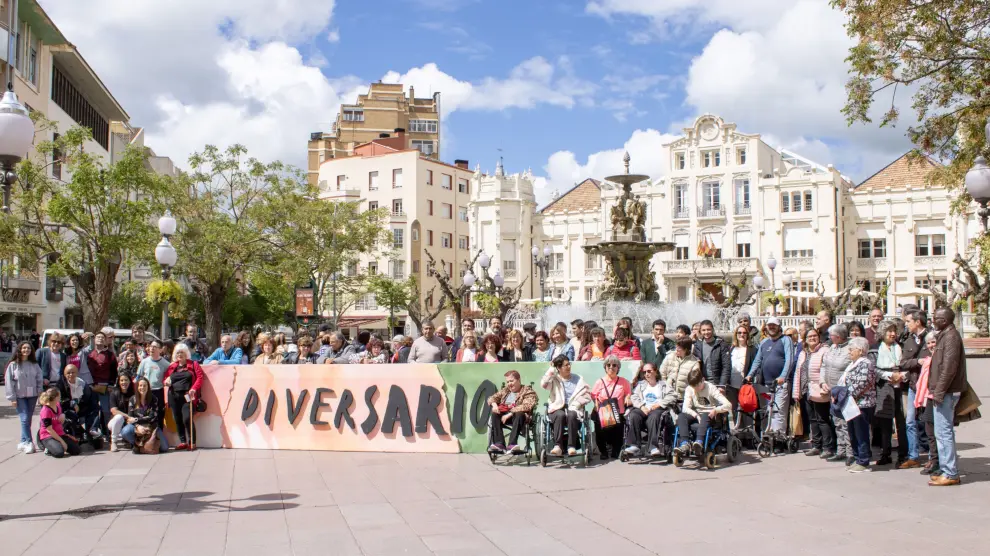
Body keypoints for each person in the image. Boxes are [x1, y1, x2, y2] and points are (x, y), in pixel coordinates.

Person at [927, 307, 966, 486]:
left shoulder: (951, 337)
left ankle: (950, 473)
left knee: (944, 432)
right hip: (942, 391)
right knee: (940, 432)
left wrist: (939, 391)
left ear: (943, 320)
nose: (933, 320)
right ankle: (946, 469)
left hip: (946, 392)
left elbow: (949, 368)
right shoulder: (945, 334)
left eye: (935, 318)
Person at [745, 317, 793, 435]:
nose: (771, 327)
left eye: (774, 325)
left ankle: (778, 438)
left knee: (778, 411)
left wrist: (783, 376)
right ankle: (767, 436)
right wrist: (749, 375)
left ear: (779, 326)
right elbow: (757, 360)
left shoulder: (786, 340)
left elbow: (789, 360)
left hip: (780, 384)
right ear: (766, 327)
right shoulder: (764, 342)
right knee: (766, 412)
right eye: (769, 325)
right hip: (765, 384)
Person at [897, 310, 930, 470]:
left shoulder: (932, 337)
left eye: (909, 321)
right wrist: (918, 361)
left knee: (928, 422)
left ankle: (933, 457)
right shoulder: (908, 339)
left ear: (918, 322)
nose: (906, 324)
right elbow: (903, 363)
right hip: (912, 386)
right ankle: (913, 456)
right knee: (910, 421)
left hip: (928, 387)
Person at [674, 367, 731, 459]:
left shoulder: (711, 388)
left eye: (697, 385)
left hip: (711, 414)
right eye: (693, 387)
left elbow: (728, 405)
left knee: (705, 415)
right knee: (681, 416)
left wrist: (716, 410)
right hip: (697, 413)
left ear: (703, 380)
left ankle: (699, 442)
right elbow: (685, 408)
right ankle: (685, 443)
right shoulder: (690, 389)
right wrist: (695, 415)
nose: (696, 389)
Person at [793, 327, 833, 458]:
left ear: (819, 337)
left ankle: (828, 447)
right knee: (812, 419)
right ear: (805, 340)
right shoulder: (803, 353)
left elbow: (827, 370)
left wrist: (824, 386)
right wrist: (796, 392)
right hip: (806, 390)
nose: (812, 338)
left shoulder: (824, 350)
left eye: (814, 335)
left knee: (822, 419)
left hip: (819, 390)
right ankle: (816, 445)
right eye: (809, 336)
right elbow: (798, 373)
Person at [541, 355, 591, 457]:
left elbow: (587, 395)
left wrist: (577, 404)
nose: (568, 367)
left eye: (569, 364)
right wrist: (551, 368)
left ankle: (571, 446)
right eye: (565, 365)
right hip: (557, 407)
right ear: (558, 368)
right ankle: (558, 446)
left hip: (574, 407)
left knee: (572, 415)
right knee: (560, 415)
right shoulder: (554, 379)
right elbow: (544, 384)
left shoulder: (578, 379)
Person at [839, 337, 876, 473]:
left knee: (861, 433)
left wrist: (844, 394)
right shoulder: (852, 364)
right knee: (853, 432)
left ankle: (863, 460)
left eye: (851, 349)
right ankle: (857, 458)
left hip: (862, 404)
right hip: (850, 403)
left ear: (860, 350)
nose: (849, 352)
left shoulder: (866, 363)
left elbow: (862, 384)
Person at [624, 362, 677, 457]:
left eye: (649, 371)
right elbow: (634, 397)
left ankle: (653, 447)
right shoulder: (641, 385)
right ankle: (634, 445)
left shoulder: (663, 385)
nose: (646, 374)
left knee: (654, 416)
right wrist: (641, 406)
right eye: (644, 372)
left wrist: (660, 404)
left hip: (658, 410)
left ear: (655, 372)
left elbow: (673, 396)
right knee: (633, 414)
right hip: (644, 409)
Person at [820, 324, 853, 464]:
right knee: (837, 422)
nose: (829, 337)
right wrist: (822, 382)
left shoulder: (849, 350)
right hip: (831, 391)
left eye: (831, 335)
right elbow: (823, 366)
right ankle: (841, 450)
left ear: (838, 336)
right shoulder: (831, 348)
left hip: (843, 392)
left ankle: (851, 452)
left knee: (846, 423)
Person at [5, 341, 45, 454]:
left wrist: (40, 392)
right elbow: (9, 382)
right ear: (19, 349)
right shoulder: (13, 365)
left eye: (28, 348)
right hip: (19, 396)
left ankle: (22, 441)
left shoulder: (34, 364)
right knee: (24, 419)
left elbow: (39, 379)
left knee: (28, 419)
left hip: (32, 396)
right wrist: (12, 398)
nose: (26, 350)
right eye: (24, 348)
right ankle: (29, 442)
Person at [164, 344, 204, 450]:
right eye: (177, 352)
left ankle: (192, 442)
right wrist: (166, 381)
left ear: (186, 354)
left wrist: (194, 389)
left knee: (187, 418)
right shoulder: (172, 367)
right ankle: (183, 442)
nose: (179, 354)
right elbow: (165, 379)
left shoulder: (193, 364)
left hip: (188, 396)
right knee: (177, 419)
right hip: (173, 396)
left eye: (181, 352)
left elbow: (200, 377)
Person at [487, 370, 539, 454]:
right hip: (505, 417)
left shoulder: (528, 391)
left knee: (519, 414)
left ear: (518, 380)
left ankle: (512, 444)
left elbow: (527, 406)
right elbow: (492, 398)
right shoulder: (506, 390)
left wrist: (510, 413)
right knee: (495, 413)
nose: (509, 384)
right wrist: (494, 405)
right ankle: (499, 444)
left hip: (520, 418)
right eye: (507, 382)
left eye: (511, 381)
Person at [591, 355, 633, 459]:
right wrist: (596, 403)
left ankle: (616, 450)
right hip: (603, 411)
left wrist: (628, 398)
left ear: (618, 368)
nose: (611, 367)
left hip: (618, 411)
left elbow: (628, 393)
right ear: (605, 367)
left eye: (614, 365)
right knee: (599, 429)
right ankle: (603, 452)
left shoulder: (624, 382)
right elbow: (594, 395)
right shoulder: (599, 381)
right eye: (608, 365)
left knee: (618, 431)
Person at [873, 322, 902, 466]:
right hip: (884, 386)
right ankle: (886, 452)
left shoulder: (899, 347)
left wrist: (901, 375)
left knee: (902, 420)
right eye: (889, 331)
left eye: (894, 331)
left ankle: (904, 451)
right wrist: (888, 375)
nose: (892, 334)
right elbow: (873, 369)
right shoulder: (876, 349)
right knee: (885, 422)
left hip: (900, 385)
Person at [121, 376, 169, 453]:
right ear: (137, 387)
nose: (142, 387)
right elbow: (130, 418)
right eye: (140, 385)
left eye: (144, 385)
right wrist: (138, 426)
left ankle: (143, 447)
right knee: (125, 431)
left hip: (151, 426)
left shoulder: (154, 399)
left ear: (148, 387)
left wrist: (137, 419)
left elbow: (152, 417)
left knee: (164, 448)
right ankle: (137, 445)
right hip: (137, 427)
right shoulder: (132, 399)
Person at [56, 363, 102, 442]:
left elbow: (89, 397)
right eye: (68, 373)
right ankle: (79, 433)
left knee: (95, 408)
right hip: (67, 408)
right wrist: (72, 403)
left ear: (77, 373)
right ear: (64, 374)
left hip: (81, 406)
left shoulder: (82, 383)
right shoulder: (60, 384)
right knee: (71, 414)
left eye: (73, 372)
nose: (71, 374)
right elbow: (60, 399)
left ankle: (92, 429)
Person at [37, 387, 81, 458]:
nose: (60, 397)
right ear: (55, 397)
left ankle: (58, 444)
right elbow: (49, 430)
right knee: (59, 453)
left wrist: (63, 414)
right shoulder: (46, 411)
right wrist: (62, 442)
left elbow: (63, 410)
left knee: (76, 450)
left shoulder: (58, 405)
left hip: (59, 433)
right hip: (48, 435)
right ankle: (47, 448)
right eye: (59, 395)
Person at [87, 331, 118, 428]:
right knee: (93, 409)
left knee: (106, 410)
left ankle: (107, 432)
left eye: (102, 338)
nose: (100, 339)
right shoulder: (90, 354)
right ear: (94, 340)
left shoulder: (110, 355)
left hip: (105, 386)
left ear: (105, 341)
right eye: (98, 337)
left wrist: (111, 384)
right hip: (92, 386)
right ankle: (93, 431)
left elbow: (114, 371)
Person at [727, 325, 758, 416]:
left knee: (746, 407)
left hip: (745, 384)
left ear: (748, 335)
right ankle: (738, 429)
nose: (742, 334)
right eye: (739, 333)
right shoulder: (731, 348)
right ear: (736, 335)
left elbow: (755, 366)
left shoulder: (752, 349)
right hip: (732, 384)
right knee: (735, 409)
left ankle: (747, 429)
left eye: (744, 333)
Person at [693, 320, 730, 391]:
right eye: (703, 330)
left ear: (712, 329)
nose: (706, 332)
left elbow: (726, 366)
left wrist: (722, 385)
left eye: (708, 329)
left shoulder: (721, 344)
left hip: (716, 382)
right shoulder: (698, 345)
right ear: (700, 331)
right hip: (702, 382)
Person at [661, 337, 701, 401]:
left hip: (684, 397)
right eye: (676, 346)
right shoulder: (669, 357)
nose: (676, 349)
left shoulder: (694, 362)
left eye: (679, 347)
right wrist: (665, 388)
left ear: (686, 349)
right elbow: (662, 374)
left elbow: (694, 382)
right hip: (667, 395)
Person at [107, 372, 135, 451]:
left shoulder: (133, 393)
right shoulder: (114, 393)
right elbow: (114, 411)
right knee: (119, 417)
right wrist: (127, 416)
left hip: (130, 421)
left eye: (126, 380)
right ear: (118, 382)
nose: (124, 382)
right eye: (121, 380)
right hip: (115, 422)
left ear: (130, 381)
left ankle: (127, 440)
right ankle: (114, 442)